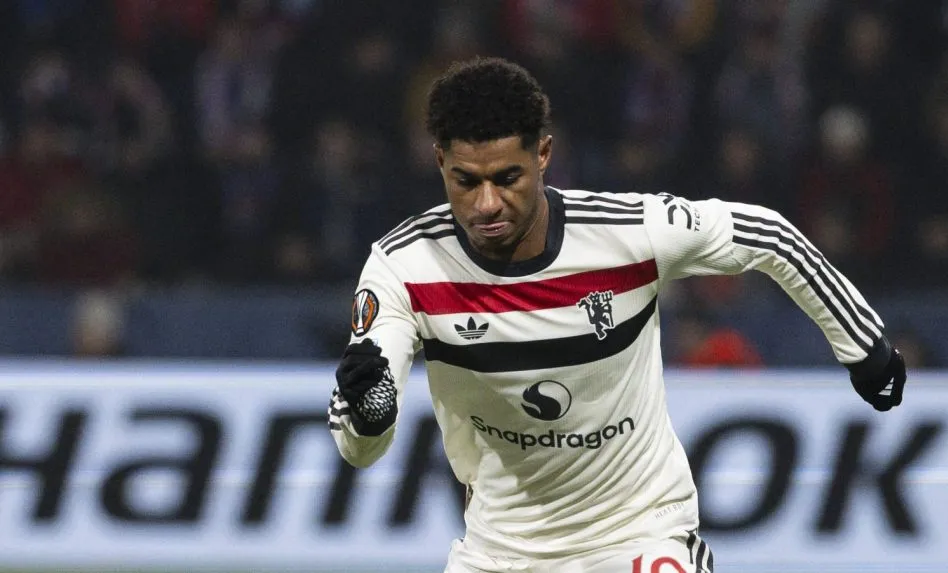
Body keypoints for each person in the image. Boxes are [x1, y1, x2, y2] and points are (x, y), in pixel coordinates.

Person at [328, 57, 907, 573]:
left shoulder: (627, 235)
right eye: (466, 181)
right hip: (499, 551)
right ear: (440, 162)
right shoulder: (402, 267)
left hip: (639, 532)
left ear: (543, 155)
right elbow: (360, 448)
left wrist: (865, 348)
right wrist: (370, 413)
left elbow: (769, 236)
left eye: (507, 179)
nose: (487, 204)